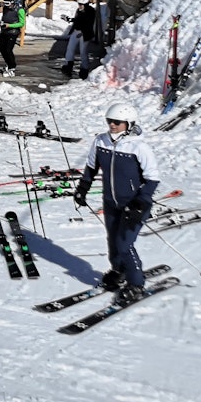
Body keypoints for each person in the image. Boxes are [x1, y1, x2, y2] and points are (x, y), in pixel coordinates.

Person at [73, 102, 160, 305]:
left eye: (117, 122)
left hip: (134, 204)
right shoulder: (100, 141)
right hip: (111, 202)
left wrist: (141, 202)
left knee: (124, 244)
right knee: (113, 240)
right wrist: (82, 189)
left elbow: (152, 178)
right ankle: (118, 271)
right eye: (109, 121)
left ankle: (136, 284)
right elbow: (91, 167)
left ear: (129, 124)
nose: (112, 125)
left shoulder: (139, 147)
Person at [62, 0, 97, 79]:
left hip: (85, 33)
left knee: (83, 51)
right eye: (79, 4)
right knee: (70, 48)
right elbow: (78, 20)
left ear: (86, 5)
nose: (80, 6)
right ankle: (68, 65)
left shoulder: (91, 11)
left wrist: (82, 33)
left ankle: (84, 69)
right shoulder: (79, 10)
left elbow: (88, 24)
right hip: (76, 31)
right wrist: (70, 19)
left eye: (81, 4)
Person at [0, 0, 25, 77]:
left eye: (8, 3)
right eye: (5, 3)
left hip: (13, 32)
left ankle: (12, 66)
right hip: (4, 31)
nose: (7, 5)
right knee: (2, 49)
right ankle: (8, 63)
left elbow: (22, 23)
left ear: (13, 2)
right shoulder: (6, 9)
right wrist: (2, 24)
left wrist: (9, 25)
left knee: (8, 49)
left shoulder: (20, 10)